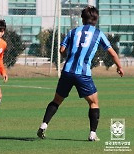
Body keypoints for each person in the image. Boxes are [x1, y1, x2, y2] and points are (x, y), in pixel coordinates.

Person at [37, 6, 124, 141]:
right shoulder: (98, 33)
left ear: (82, 19)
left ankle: (43, 125)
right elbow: (112, 53)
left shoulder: (73, 32)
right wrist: (119, 67)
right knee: (94, 102)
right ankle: (92, 134)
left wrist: (70, 55)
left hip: (67, 72)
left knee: (57, 100)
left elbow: (61, 49)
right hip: (83, 74)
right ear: (96, 19)